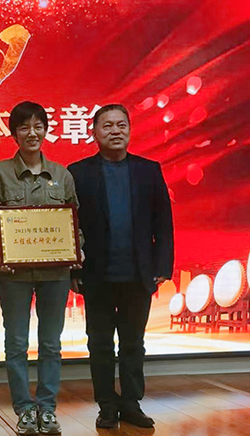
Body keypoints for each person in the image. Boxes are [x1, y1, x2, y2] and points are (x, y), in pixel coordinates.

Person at [67, 104, 174, 429]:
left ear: (129, 130)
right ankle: (106, 406)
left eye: (121, 125)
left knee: (133, 344)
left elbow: (163, 222)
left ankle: (131, 404)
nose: (115, 131)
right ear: (94, 133)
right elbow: (70, 225)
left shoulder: (148, 170)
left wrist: (162, 266)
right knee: (99, 344)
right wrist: (74, 270)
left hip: (138, 274)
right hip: (96, 275)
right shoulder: (78, 172)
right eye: (108, 125)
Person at [0, 101, 82, 435]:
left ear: (46, 130)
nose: (32, 133)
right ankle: (24, 409)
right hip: (15, 275)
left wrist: (76, 250)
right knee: (16, 344)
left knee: (51, 344)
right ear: (14, 133)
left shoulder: (62, 175)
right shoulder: (0, 173)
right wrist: (3, 251)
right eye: (24, 127)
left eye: (39, 126)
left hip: (56, 274)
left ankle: (47, 408)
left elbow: (74, 222)